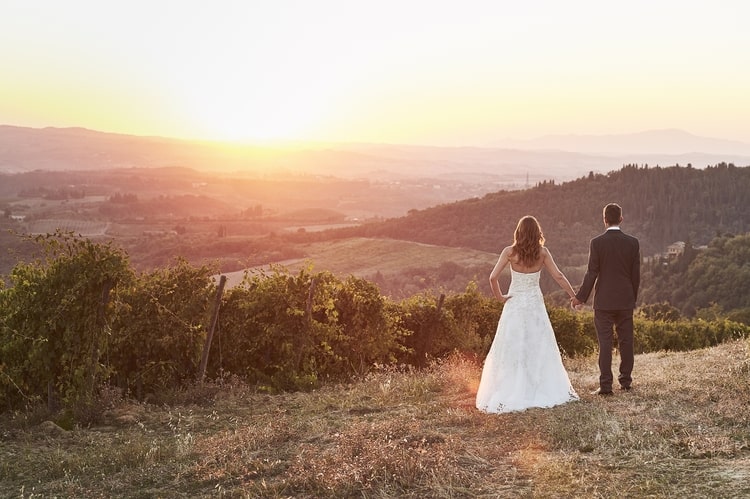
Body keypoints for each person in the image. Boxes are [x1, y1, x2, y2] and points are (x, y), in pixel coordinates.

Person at [476, 215, 579, 413]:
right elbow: (558, 276)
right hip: (534, 306)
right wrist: (573, 296)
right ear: (537, 233)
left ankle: (512, 387)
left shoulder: (509, 252)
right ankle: (535, 386)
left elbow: (492, 277)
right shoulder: (543, 253)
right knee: (538, 344)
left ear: (519, 232)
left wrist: (500, 297)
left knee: (511, 346)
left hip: (514, 304)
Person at [571, 203, 640, 396]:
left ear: (604, 220)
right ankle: (626, 382)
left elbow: (592, 273)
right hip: (625, 299)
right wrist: (631, 297)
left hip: (604, 302)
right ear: (621, 219)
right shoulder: (633, 243)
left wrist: (580, 297)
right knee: (627, 341)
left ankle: (606, 386)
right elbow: (636, 275)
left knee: (605, 343)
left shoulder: (597, 243)